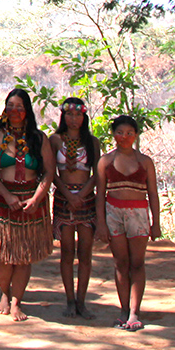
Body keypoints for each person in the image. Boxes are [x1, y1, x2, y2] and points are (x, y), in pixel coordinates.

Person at [0, 88, 54, 321]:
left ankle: (16, 301)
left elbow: (49, 172)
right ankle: (4, 293)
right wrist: (6, 195)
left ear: (27, 111)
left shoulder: (39, 138)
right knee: (2, 254)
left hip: (31, 200)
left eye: (19, 107)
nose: (14, 111)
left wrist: (36, 199)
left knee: (24, 254)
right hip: (2, 199)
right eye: (10, 106)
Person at [95, 115, 161, 332]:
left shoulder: (145, 162)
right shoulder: (105, 162)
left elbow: (152, 193)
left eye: (129, 133)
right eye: (120, 133)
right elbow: (100, 194)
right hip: (113, 213)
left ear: (136, 135)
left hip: (139, 214)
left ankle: (134, 311)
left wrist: (156, 222)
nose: (124, 137)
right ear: (113, 135)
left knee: (137, 263)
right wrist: (101, 224)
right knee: (120, 263)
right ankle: (123, 310)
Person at [51, 97, 101, 319]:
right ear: (63, 116)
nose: (74, 119)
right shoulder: (54, 140)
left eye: (78, 115)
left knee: (86, 253)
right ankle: (69, 300)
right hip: (63, 199)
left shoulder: (92, 142)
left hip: (86, 199)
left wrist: (81, 194)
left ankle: (82, 301)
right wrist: (67, 193)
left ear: (84, 117)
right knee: (67, 252)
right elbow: (51, 172)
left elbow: (97, 174)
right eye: (69, 115)